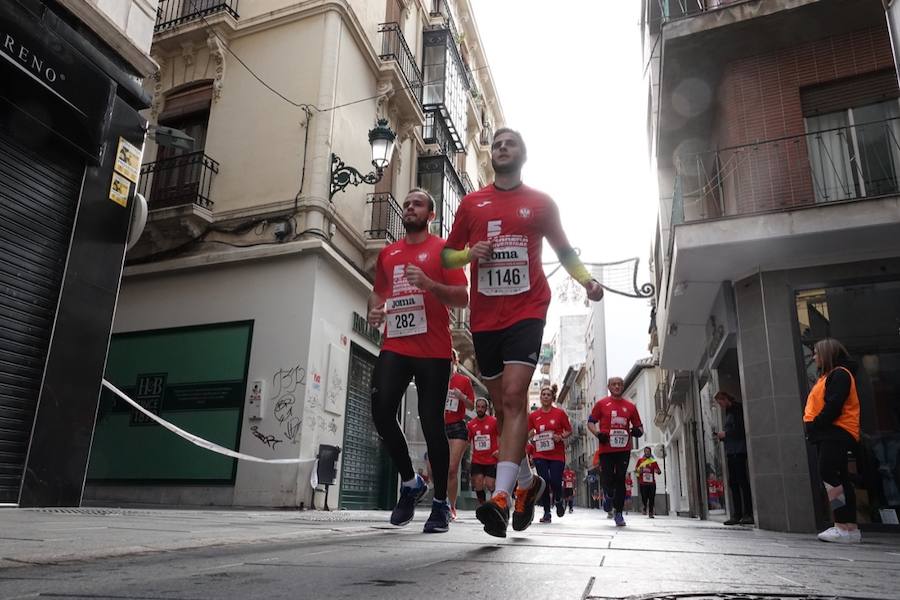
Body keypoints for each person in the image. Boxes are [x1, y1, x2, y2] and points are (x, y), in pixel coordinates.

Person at [441, 128, 604, 538]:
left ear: (522, 154)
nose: (500, 149)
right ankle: (529, 484)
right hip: (484, 318)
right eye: (495, 144)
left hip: (527, 311)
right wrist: (468, 254)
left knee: (514, 398)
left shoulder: (541, 203)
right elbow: (447, 254)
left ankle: (500, 497)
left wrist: (585, 281)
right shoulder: (472, 203)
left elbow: (565, 251)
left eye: (508, 143)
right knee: (503, 411)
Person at [368, 188, 468, 534]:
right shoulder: (389, 254)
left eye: (418, 204)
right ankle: (411, 483)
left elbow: (462, 297)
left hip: (434, 350)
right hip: (395, 343)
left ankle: (440, 504)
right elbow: (379, 291)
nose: (410, 207)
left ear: (431, 215)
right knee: (381, 411)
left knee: (430, 422)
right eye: (407, 203)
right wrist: (374, 311)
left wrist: (429, 284)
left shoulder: (443, 251)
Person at [804, 338, 862, 544]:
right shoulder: (834, 375)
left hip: (834, 432)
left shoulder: (839, 375)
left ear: (827, 354)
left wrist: (816, 424)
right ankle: (849, 527)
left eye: (817, 353)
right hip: (834, 432)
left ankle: (841, 525)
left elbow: (834, 404)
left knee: (829, 474)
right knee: (840, 477)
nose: (814, 357)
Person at [587, 377, 644, 527]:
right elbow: (590, 422)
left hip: (624, 448)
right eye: (614, 384)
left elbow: (640, 427)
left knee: (620, 479)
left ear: (623, 386)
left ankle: (618, 513)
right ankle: (608, 495)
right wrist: (598, 434)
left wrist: (637, 431)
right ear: (609, 387)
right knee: (607, 478)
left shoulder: (630, 407)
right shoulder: (601, 404)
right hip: (606, 448)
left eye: (619, 384)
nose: (617, 387)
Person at [528, 384, 572, 523]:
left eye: (548, 394)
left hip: (557, 454)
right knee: (544, 482)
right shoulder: (534, 415)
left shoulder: (559, 413)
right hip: (540, 454)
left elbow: (568, 430)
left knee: (555, 481)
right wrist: (531, 437)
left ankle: (558, 500)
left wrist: (561, 436)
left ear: (552, 397)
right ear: (540, 398)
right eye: (543, 394)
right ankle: (547, 512)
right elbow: (529, 432)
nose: (546, 396)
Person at [714, 391, 753, 526]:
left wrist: (725, 434)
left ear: (725, 399)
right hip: (732, 451)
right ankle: (738, 514)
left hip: (738, 451)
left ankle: (747, 513)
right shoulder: (730, 411)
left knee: (741, 482)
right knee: (734, 483)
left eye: (720, 403)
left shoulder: (736, 410)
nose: (720, 406)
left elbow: (740, 429)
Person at [445, 350, 476, 520]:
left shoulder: (464, 380)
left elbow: (471, 406)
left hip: (457, 427)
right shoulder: (436, 378)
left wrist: (462, 396)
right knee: (434, 470)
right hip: (439, 426)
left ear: (455, 362)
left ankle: (451, 507)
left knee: (451, 469)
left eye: (449, 360)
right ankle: (440, 501)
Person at [467, 397, 500, 506]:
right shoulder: (471, 424)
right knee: (478, 483)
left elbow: (501, 436)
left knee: (490, 485)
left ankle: (496, 504)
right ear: (476, 408)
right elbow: (467, 441)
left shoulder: (493, 421)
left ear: (486, 408)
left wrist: (499, 450)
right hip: (477, 460)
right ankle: (483, 505)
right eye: (478, 407)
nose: (480, 409)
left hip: (491, 459)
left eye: (482, 407)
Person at [635, 446, 661, 518]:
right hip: (643, 483)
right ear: (644, 452)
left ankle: (651, 512)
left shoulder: (653, 461)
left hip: (652, 483)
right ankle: (644, 506)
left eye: (648, 451)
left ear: (650, 452)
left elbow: (659, 471)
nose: (647, 452)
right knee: (644, 497)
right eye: (646, 451)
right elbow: (636, 471)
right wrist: (640, 471)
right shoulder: (640, 461)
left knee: (652, 498)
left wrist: (657, 471)